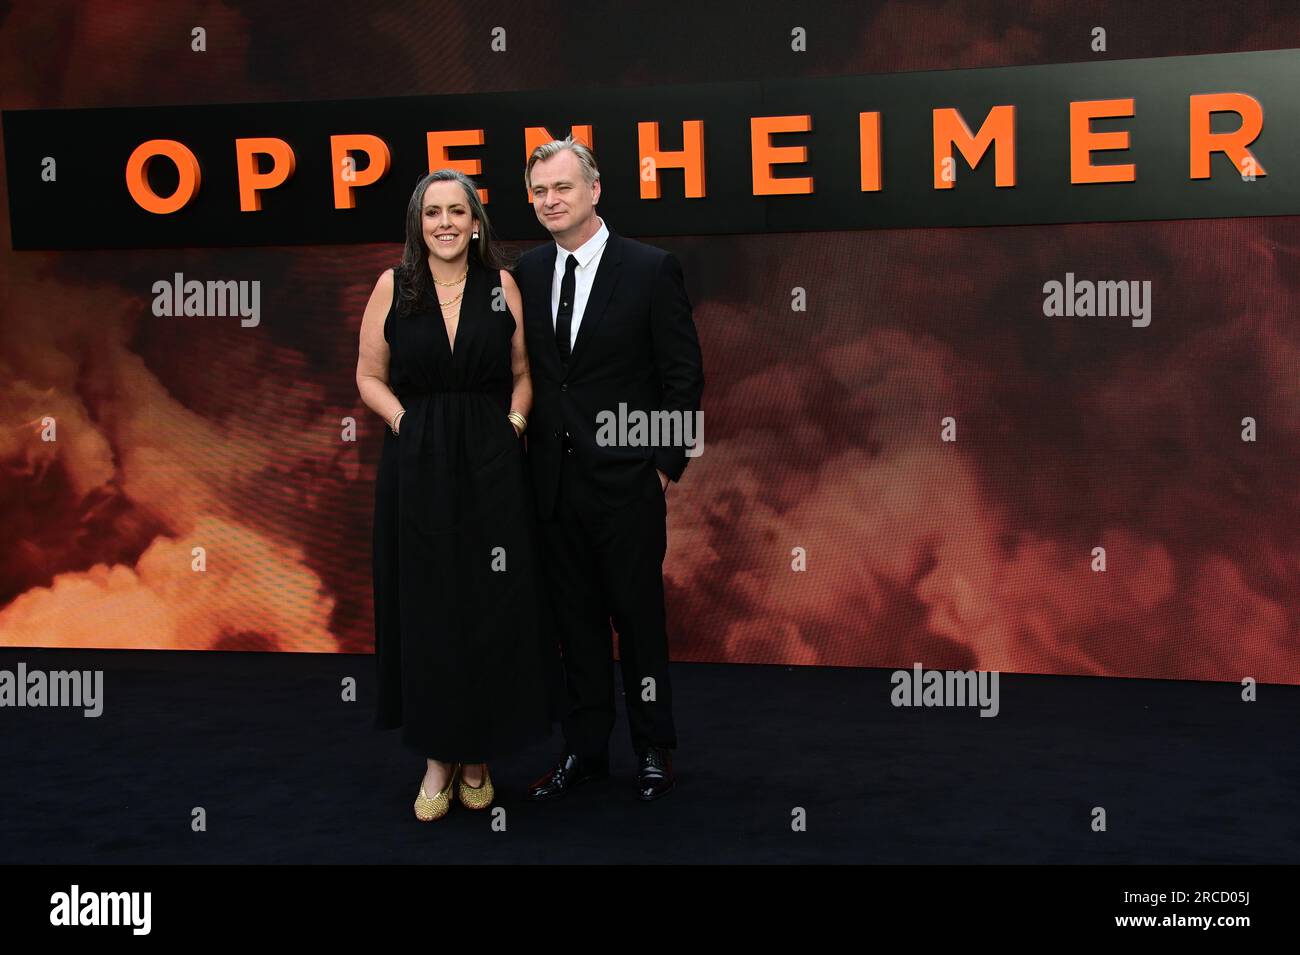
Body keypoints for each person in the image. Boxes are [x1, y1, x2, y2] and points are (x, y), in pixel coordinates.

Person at [357, 169, 559, 822]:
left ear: (477, 223)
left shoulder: (501, 288)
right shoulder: (393, 286)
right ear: (419, 224)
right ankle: (438, 758)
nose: (445, 222)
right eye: (433, 212)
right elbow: (368, 374)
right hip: (415, 465)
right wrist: (404, 422)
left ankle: (480, 756)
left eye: (457, 211)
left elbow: (524, 374)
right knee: (429, 608)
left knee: (489, 606)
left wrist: (515, 426)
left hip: (492, 466)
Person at [511, 137, 704, 802]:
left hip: (626, 486)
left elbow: (683, 376)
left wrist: (660, 468)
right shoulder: (526, 274)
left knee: (639, 620)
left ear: (595, 190)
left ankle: (654, 748)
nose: (550, 201)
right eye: (539, 191)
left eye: (562, 187)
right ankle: (586, 751)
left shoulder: (651, 269)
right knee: (575, 627)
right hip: (553, 488)